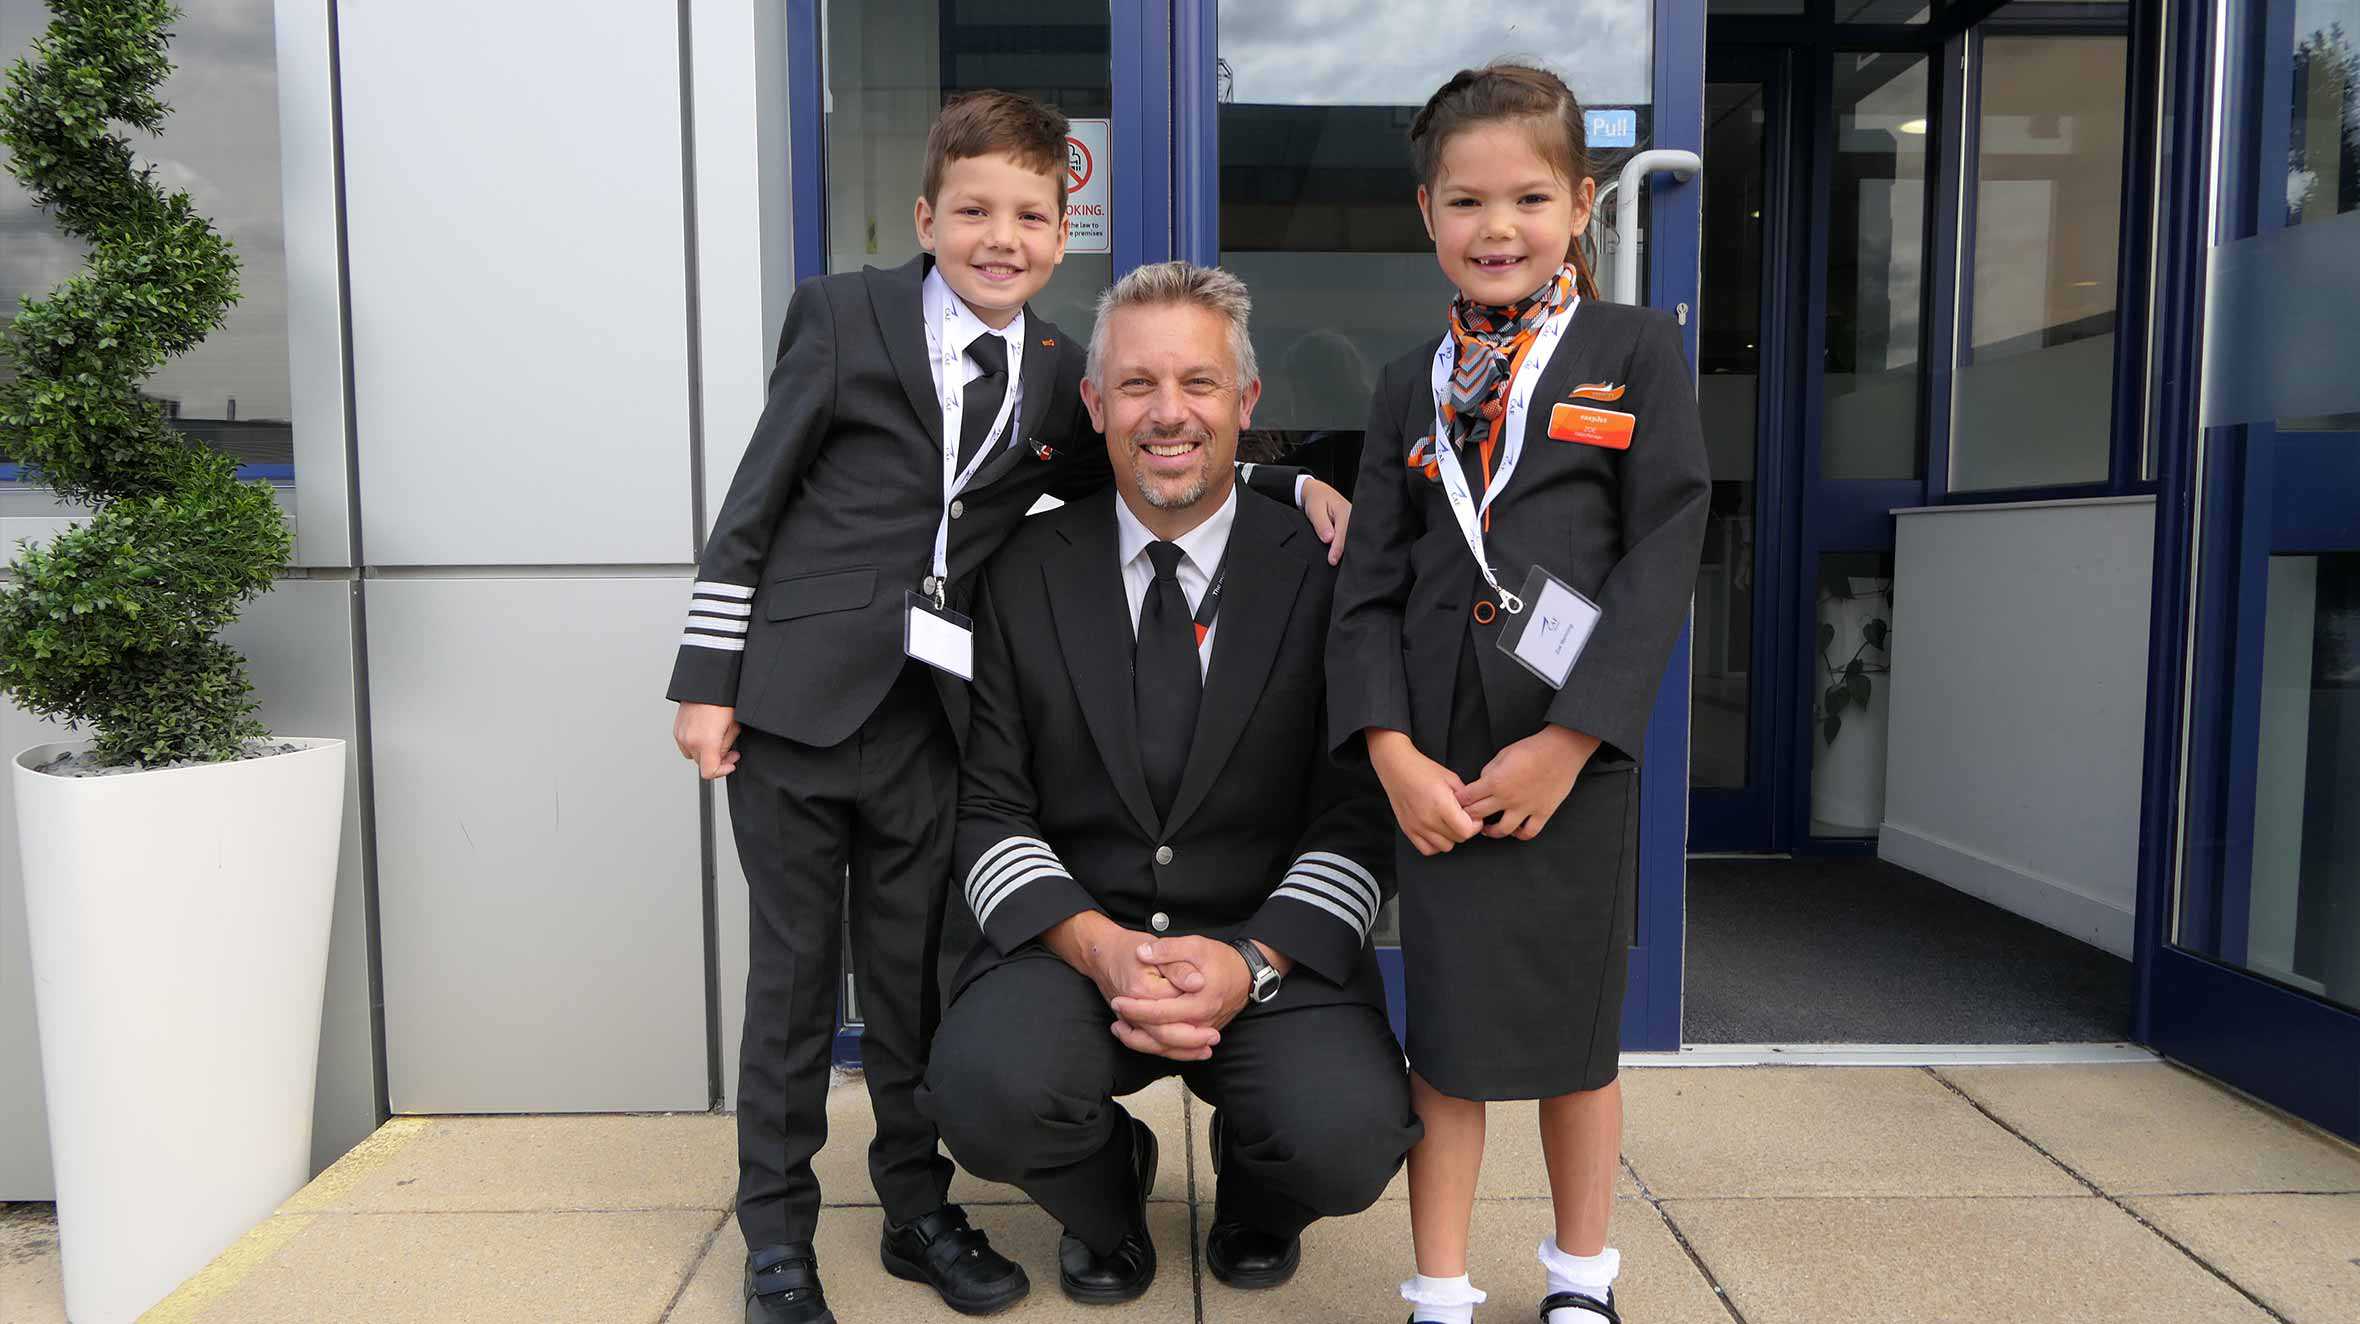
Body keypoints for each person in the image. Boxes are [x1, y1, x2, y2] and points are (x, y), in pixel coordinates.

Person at [664, 92, 1348, 1324]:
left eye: (1030, 215)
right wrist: (706, 678)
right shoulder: (842, 316)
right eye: (973, 210)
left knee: (917, 986)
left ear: (1059, 231)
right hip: (796, 710)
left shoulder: (1055, 369)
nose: (1001, 236)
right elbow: (752, 503)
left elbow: (1161, 445)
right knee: (792, 990)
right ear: (924, 216)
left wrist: (1287, 478)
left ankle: (918, 1210)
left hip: (930, 718)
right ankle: (777, 1241)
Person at [919, 261, 1420, 1306]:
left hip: (1264, 937)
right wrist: (1099, 948)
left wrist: (1248, 959)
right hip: (1077, 936)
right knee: (982, 1095)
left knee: (1348, 1137)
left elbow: (1357, 814)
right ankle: (1108, 1195)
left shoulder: (1329, 570)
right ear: (1095, 406)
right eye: (1137, 386)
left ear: (1244, 403)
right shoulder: (1021, 570)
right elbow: (991, 805)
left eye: (1197, 383)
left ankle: (1254, 1196)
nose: (1167, 413)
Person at [1327, 63, 1710, 1324]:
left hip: (1569, 761)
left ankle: (1579, 1282)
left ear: (1583, 204)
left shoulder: (1634, 351)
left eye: (1529, 198)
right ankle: (1439, 1288)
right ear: (1425, 214)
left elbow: (1661, 555)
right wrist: (1386, 746)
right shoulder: (1406, 383)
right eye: (1465, 201)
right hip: (1435, 766)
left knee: (1571, 1042)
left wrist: (1570, 738)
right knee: (1444, 1039)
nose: (1497, 229)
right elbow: (1368, 586)